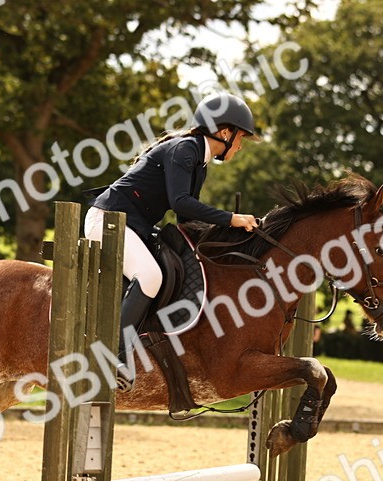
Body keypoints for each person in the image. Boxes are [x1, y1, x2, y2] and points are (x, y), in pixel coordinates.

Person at [84, 92, 260, 391]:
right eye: (241, 136)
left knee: (170, 267)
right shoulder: (184, 150)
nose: (241, 145)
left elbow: (185, 221)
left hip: (133, 226)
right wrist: (231, 218)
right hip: (108, 221)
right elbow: (181, 203)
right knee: (150, 276)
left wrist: (230, 237)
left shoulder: (199, 163)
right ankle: (115, 355)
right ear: (224, 132)